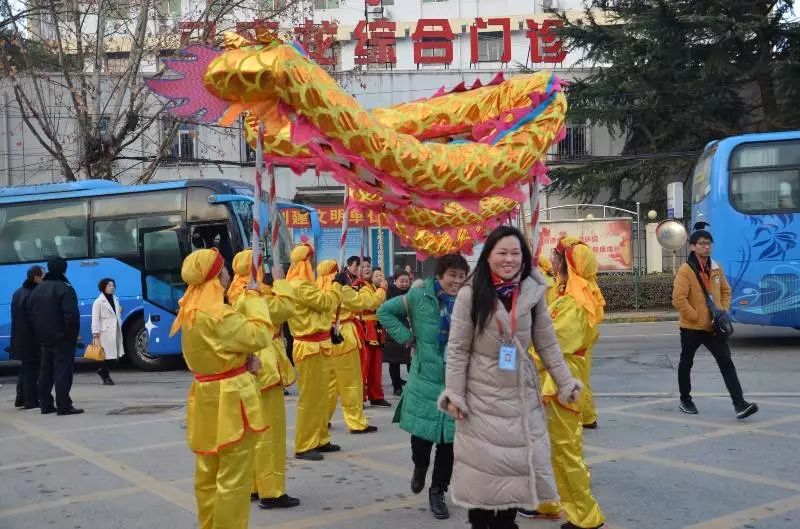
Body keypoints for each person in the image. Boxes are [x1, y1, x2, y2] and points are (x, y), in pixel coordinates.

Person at [437, 226, 582, 529]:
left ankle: (506, 522)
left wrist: (565, 381)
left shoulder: (532, 289)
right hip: (480, 397)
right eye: (502, 252)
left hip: (520, 393)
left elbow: (546, 341)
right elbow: (459, 348)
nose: (509, 259)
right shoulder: (470, 293)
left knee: (515, 474)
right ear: (488, 256)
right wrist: (454, 393)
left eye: (515, 253)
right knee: (482, 478)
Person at [169, 248, 269, 529]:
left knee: (207, 474)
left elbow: (218, 351)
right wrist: (255, 297)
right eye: (223, 269)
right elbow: (260, 334)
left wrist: (239, 358)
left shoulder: (189, 311)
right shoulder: (219, 314)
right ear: (216, 275)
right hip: (230, 397)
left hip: (204, 396)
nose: (226, 274)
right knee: (234, 478)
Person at [377, 253, 470, 521]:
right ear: (440, 275)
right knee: (421, 439)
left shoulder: (467, 302)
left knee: (449, 444)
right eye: (452, 275)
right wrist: (406, 337)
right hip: (424, 379)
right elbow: (384, 311)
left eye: (461, 276)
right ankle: (420, 466)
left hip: (455, 383)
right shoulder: (419, 297)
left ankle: (438, 491)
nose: (457, 281)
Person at [523, 236, 606, 529]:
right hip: (554, 381)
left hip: (562, 384)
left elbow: (554, 343)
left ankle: (586, 516)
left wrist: (524, 354)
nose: (553, 261)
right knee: (548, 447)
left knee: (566, 450)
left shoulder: (576, 301)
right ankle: (549, 501)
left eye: (557, 256)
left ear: (567, 262)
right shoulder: (566, 294)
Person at [227, 250, 300, 510]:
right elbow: (286, 307)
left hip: (249, 369)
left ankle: (255, 486)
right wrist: (281, 281)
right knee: (271, 433)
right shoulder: (254, 294)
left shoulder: (236, 292)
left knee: (254, 432)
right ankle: (272, 491)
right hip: (265, 366)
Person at [673, 226, 758, 419]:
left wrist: (723, 312)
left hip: (713, 328)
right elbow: (678, 299)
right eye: (702, 243)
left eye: (709, 243)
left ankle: (739, 404)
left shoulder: (716, 267)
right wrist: (695, 316)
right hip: (691, 328)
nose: (707, 247)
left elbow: (726, 291)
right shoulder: (686, 270)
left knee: (726, 362)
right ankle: (685, 399)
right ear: (693, 247)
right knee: (686, 363)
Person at [273, 242, 343, 460]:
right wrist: (337, 287)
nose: (313, 264)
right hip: (309, 346)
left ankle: (320, 438)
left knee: (321, 396)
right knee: (311, 398)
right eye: (310, 260)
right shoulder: (299, 285)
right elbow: (325, 303)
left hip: (319, 344)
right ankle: (305, 444)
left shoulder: (304, 284)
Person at [316, 260, 384, 434]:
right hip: (344, 336)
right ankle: (356, 422)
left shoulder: (316, 288)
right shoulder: (340, 288)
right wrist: (382, 290)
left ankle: (322, 419)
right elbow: (365, 303)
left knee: (330, 384)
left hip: (326, 337)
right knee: (351, 383)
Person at [27, 257, 82, 416]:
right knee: (63, 372)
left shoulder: (38, 289)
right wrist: (71, 335)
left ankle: (45, 405)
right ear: (64, 269)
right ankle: (64, 405)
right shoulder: (65, 288)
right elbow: (71, 315)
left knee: (45, 372)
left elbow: (31, 314)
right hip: (62, 339)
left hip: (44, 338)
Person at [356, 259, 391, 407]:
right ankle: (359, 397)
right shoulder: (359, 287)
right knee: (364, 364)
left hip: (376, 327)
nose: (366, 269)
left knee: (376, 366)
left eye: (368, 266)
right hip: (365, 327)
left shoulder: (372, 286)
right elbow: (371, 303)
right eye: (362, 267)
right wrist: (382, 290)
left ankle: (376, 395)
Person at [11, 265, 44, 409]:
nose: (44, 279)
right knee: (32, 370)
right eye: (43, 276)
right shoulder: (33, 294)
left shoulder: (18, 292)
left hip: (20, 337)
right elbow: (35, 318)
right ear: (36, 277)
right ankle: (31, 401)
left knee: (25, 368)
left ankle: (21, 398)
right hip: (31, 338)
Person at [91, 278, 124, 386]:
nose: (112, 287)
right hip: (104, 333)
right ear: (103, 287)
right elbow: (95, 318)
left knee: (114, 357)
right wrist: (95, 333)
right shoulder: (98, 302)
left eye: (113, 285)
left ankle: (102, 371)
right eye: (109, 285)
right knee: (105, 357)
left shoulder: (115, 299)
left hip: (115, 331)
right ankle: (106, 377)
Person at [383, 271, 412, 396]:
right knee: (394, 361)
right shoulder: (388, 293)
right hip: (393, 329)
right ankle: (397, 386)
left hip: (409, 329)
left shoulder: (412, 293)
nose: (405, 284)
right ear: (394, 281)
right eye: (402, 281)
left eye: (407, 281)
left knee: (410, 360)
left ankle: (413, 385)